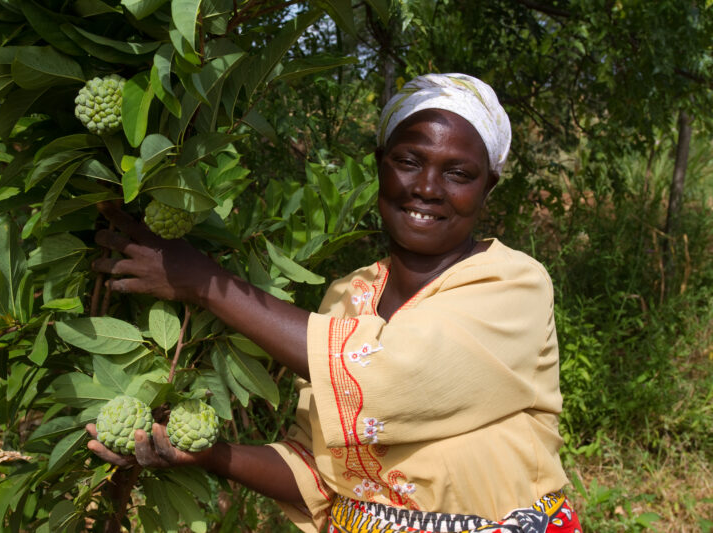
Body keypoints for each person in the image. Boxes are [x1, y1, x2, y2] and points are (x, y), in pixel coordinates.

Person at [87, 73, 583, 533]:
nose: (428, 188)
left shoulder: (513, 283)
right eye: (409, 161)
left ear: (488, 187)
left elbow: (389, 371)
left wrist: (206, 283)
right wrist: (208, 453)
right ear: (380, 164)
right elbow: (320, 470)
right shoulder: (349, 295)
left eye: (459, 173)